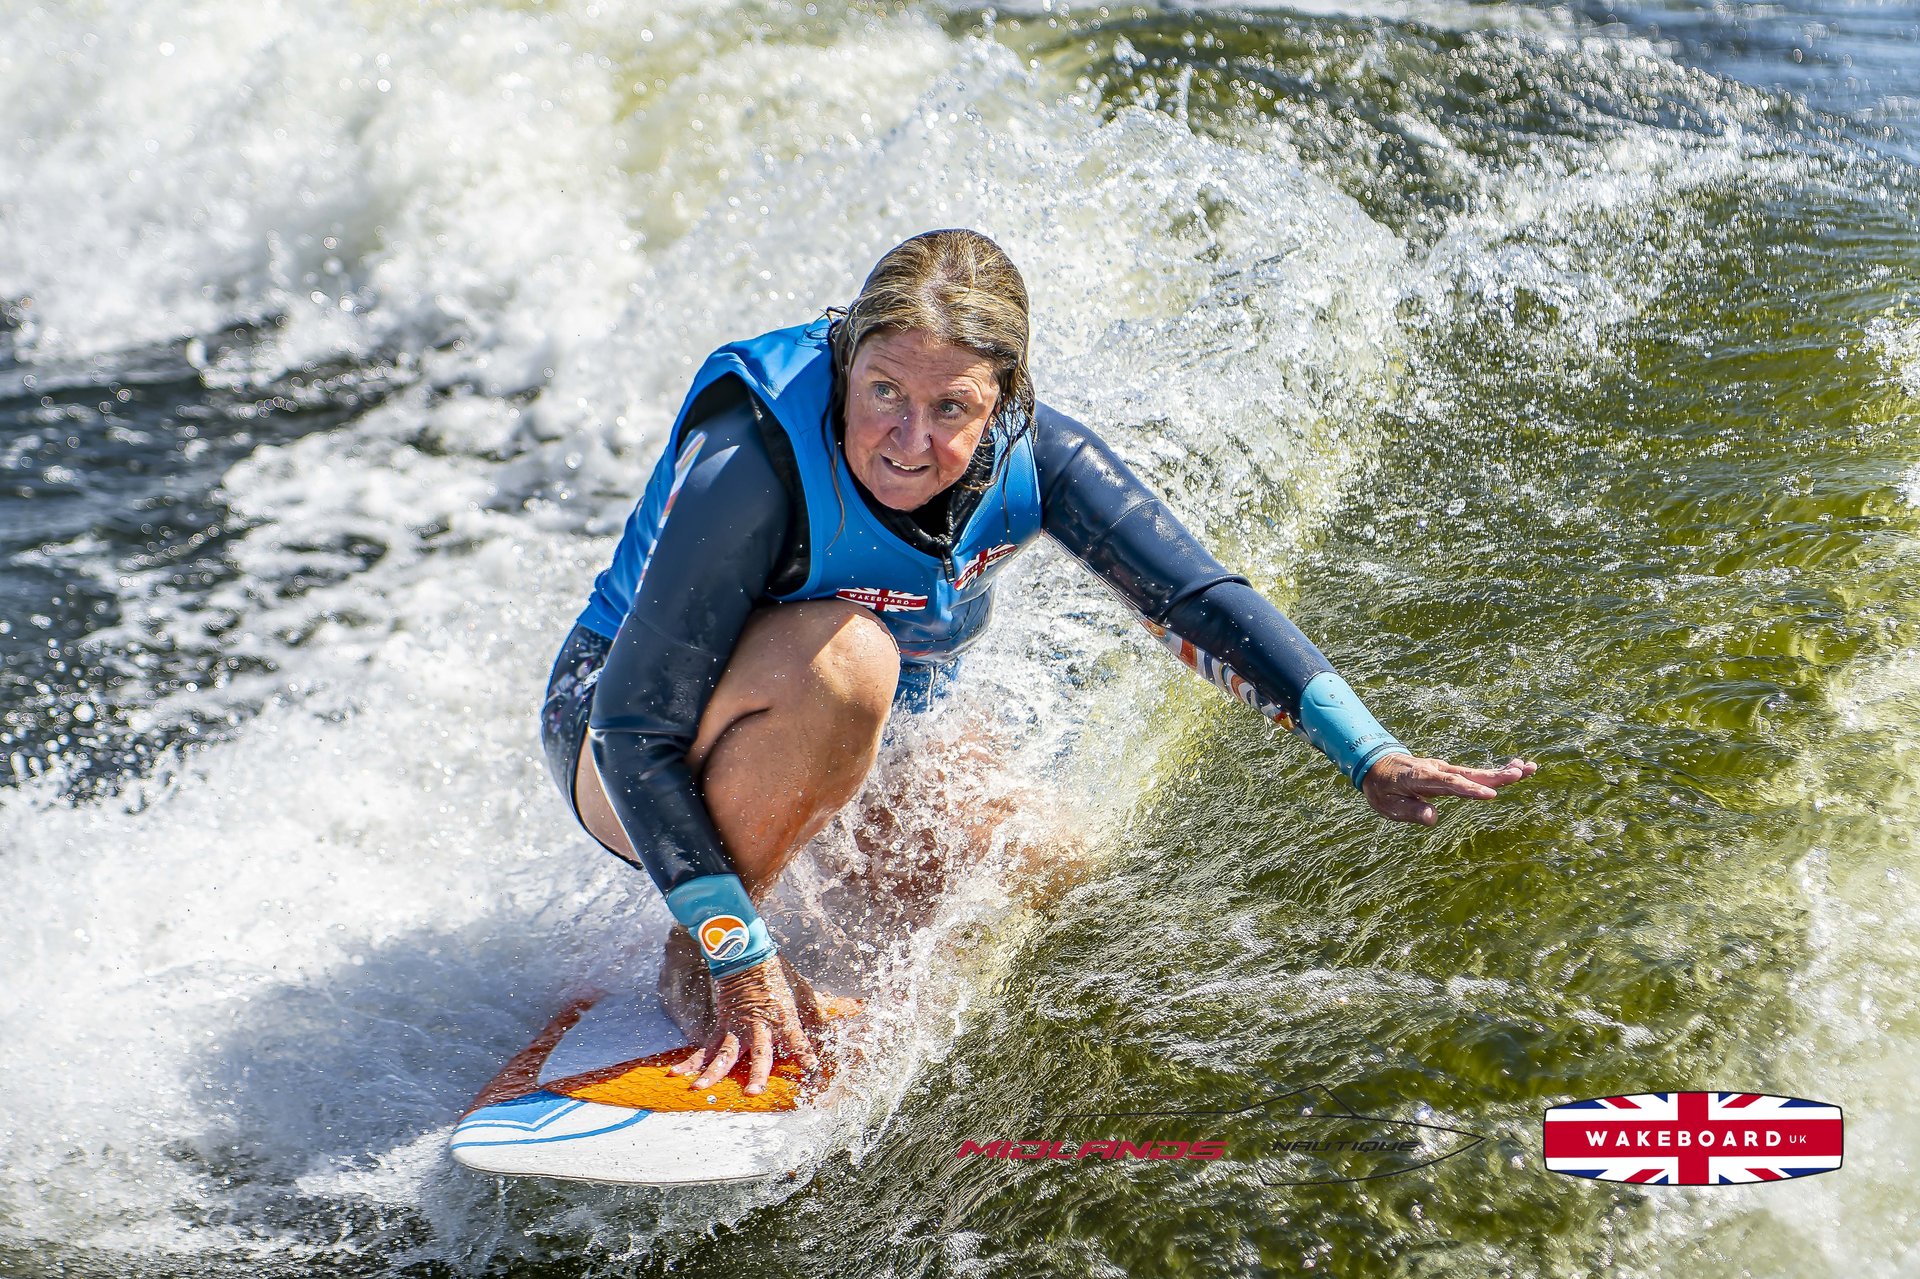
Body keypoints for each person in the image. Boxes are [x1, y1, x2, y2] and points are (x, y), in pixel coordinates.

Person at [539, 229, 1536, 1096]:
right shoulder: (752, 456)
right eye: (882, 390)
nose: (907, 439)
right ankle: (705, 947)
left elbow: (1195, 600)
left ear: (1005, 401)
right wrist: (737, 955)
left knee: (1050, 863)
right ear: (846, 362)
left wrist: (1370, 753)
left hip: (826, 742)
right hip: (618, 742)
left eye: (950, 408)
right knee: (851, 661)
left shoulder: (1040, 457)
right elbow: (636, 725)